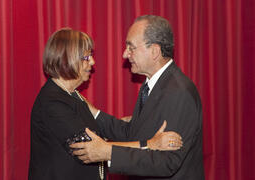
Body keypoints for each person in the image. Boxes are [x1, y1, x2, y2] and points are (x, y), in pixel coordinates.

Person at [28, 28, 182, 180]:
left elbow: (92, 130)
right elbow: (92, 150)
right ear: (67, 59)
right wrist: (150, 144)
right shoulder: (52, 103)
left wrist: (129, 124)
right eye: (86, 58)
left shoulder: (72, 95)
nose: (93, 62)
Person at [71, 15, 205, 180]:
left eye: (131, 47)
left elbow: (167, 162)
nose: (125, 54)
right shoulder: (151, 85)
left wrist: (107, 152)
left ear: (154, 51)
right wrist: (94, 113)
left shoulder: (179, 92)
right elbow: (134, 135)